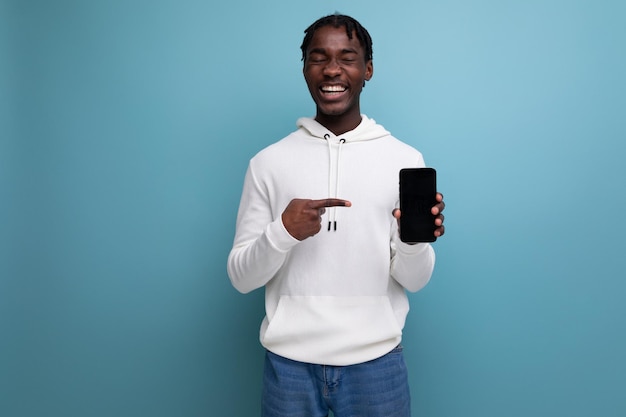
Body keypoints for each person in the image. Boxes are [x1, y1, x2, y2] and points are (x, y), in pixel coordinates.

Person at [227, 13, 445, 417]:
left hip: (377, 363)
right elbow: (241, 278)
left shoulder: (404, 160)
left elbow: (415, 281)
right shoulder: (268, 163)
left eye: (347, 57)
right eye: (318, 57)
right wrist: (283, 233)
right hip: (288, 365)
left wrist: (412, 242)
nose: (332, 69)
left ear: (368, 70)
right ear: (305, 68)